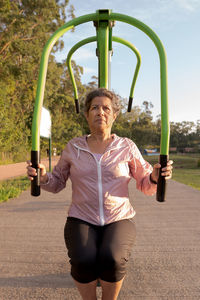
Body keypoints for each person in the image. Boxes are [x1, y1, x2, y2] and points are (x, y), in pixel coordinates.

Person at [27, 88, 173, 300]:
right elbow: (57, 182)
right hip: (81, 217)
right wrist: (42, 178)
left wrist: (155, 177)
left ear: (114, 115)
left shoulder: (126, 147)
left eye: (106, 108)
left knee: (112, 258)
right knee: (82, 260)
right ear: (87, 115)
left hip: (119, 217)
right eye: (94, 108)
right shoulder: (73, 147)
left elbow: (145, 183)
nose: (100, 112)